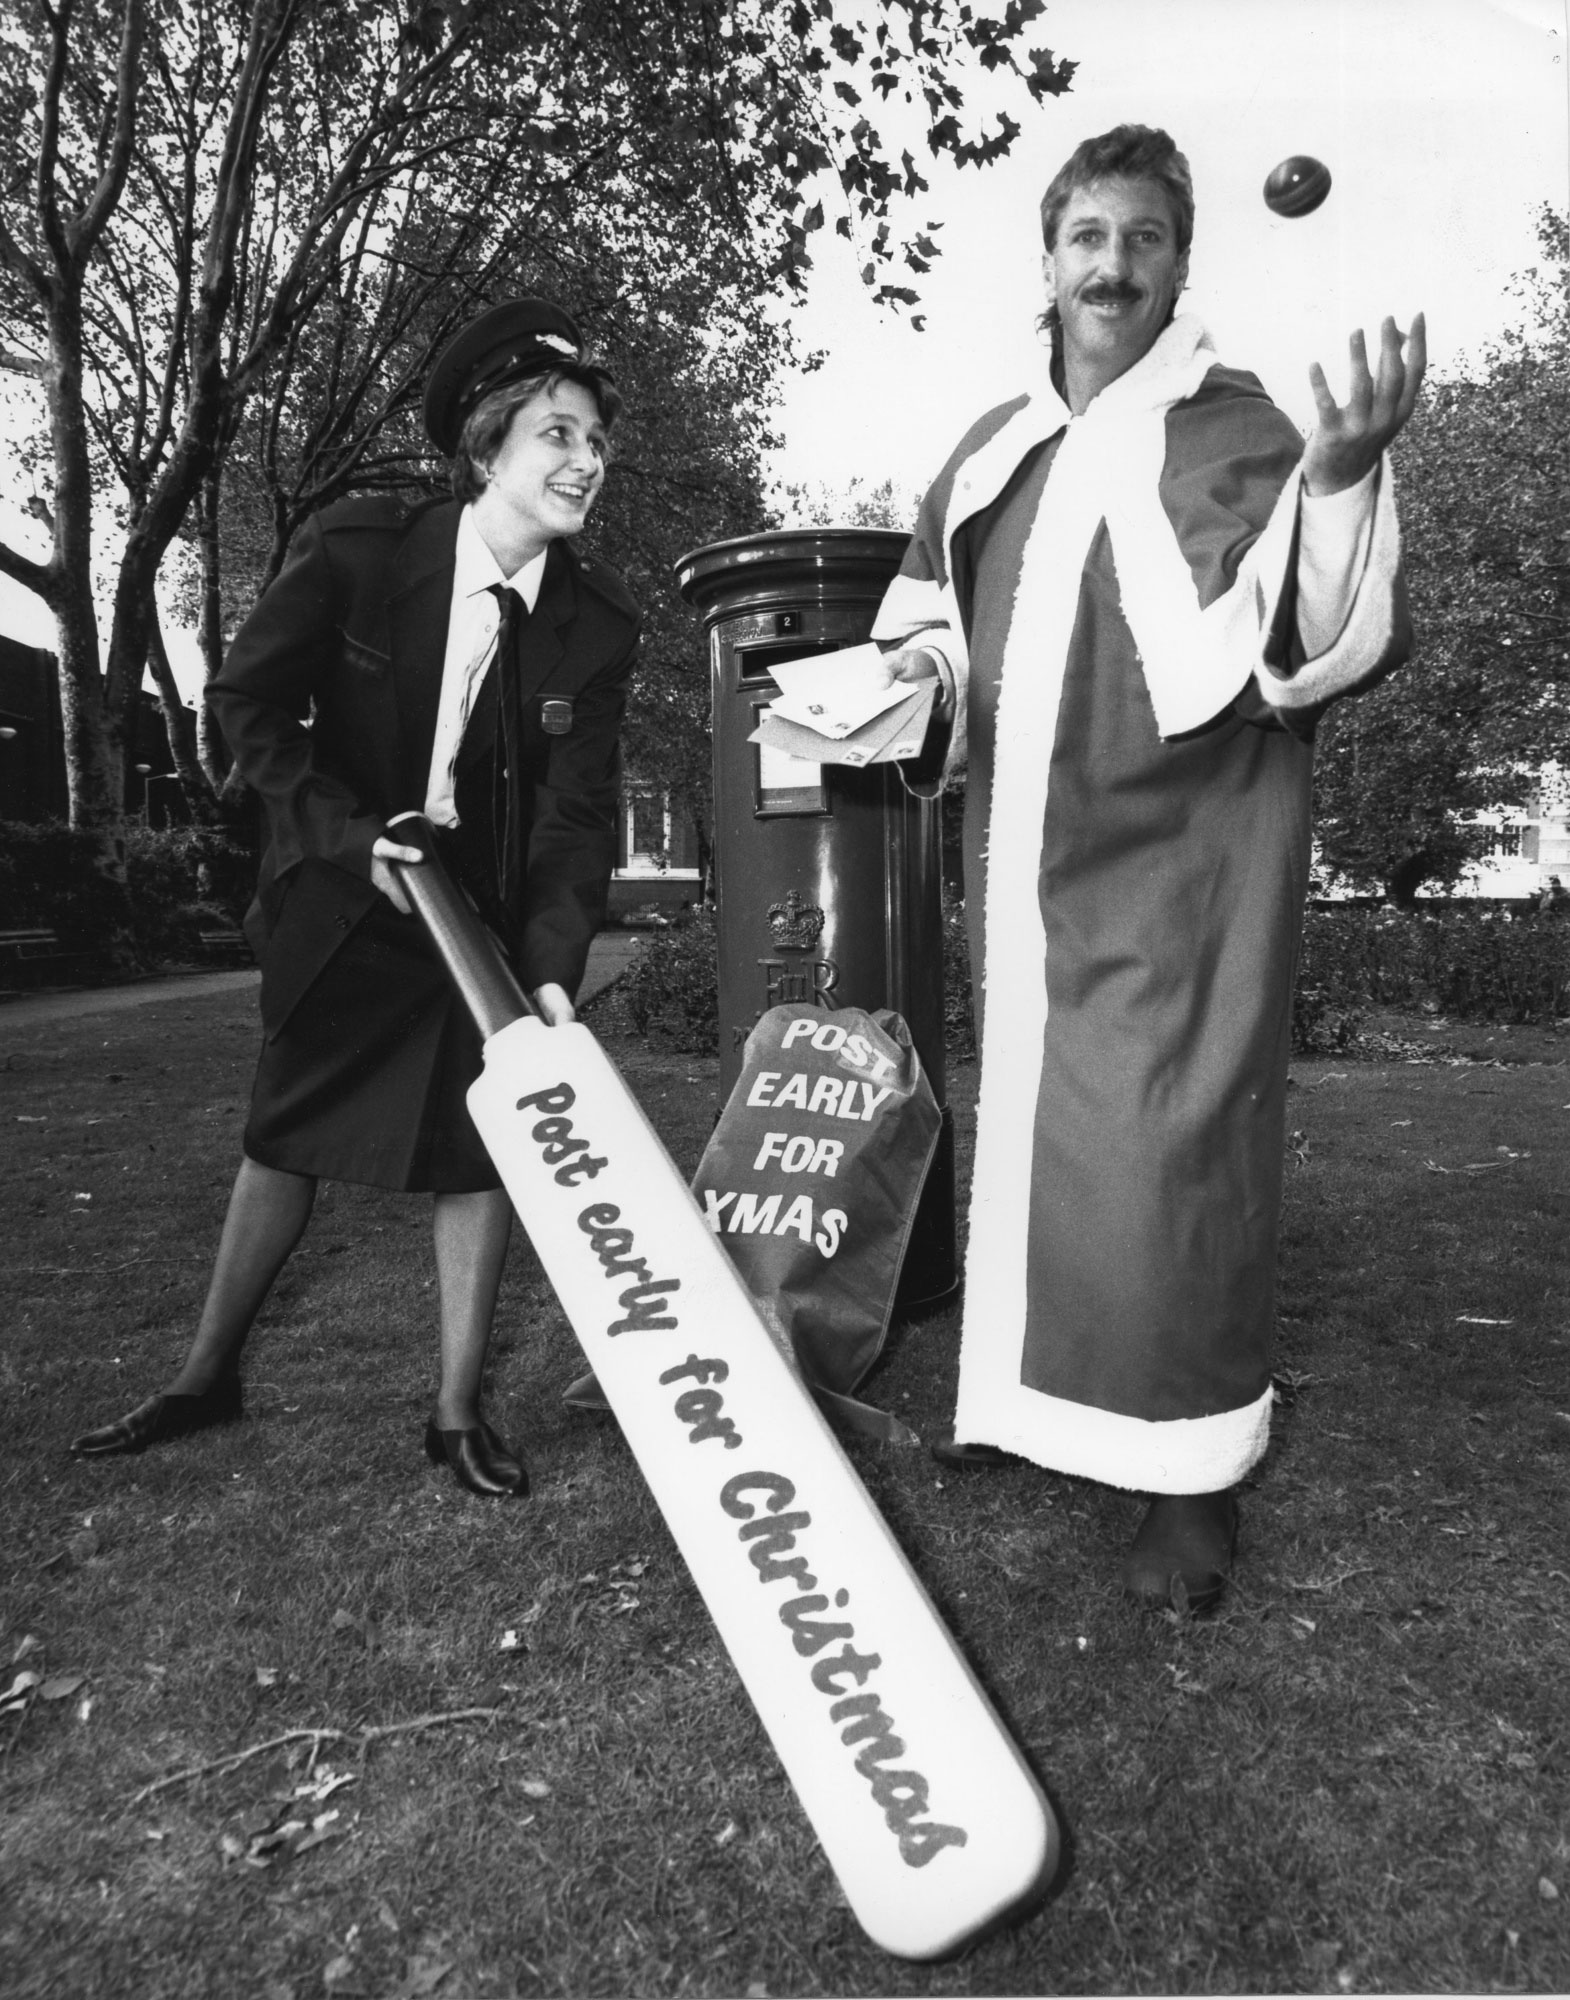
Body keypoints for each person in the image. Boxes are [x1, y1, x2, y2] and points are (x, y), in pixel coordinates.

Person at [874, 125, 1424, 1609]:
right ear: (1046, 263)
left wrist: (1344, 478)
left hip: (1188, 858)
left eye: (1143, 239)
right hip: (1036, 871)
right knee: (1049, 1153)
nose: (1112, 265)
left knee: (1172, 1148)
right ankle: (1032, 1404)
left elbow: (1308, 633)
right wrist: (900, 681)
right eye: (1087, 238)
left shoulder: (1238, 428)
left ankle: (1189, 1474)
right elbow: (930, 620)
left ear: (1181, 262)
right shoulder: (991, 448)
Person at [70, 299, 640, 1497]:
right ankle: (203, 1375)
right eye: (556, 433)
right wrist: (346, 837)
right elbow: (246, 706)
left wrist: (545, 968)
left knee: (479, 1150)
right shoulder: (363, 548)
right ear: (488, 449)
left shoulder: (596, 627)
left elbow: (575, 819)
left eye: (594, 438)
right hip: (346, 886)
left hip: (477, 923)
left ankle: (453, 1411)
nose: (585, 461)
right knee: (282, 1132)